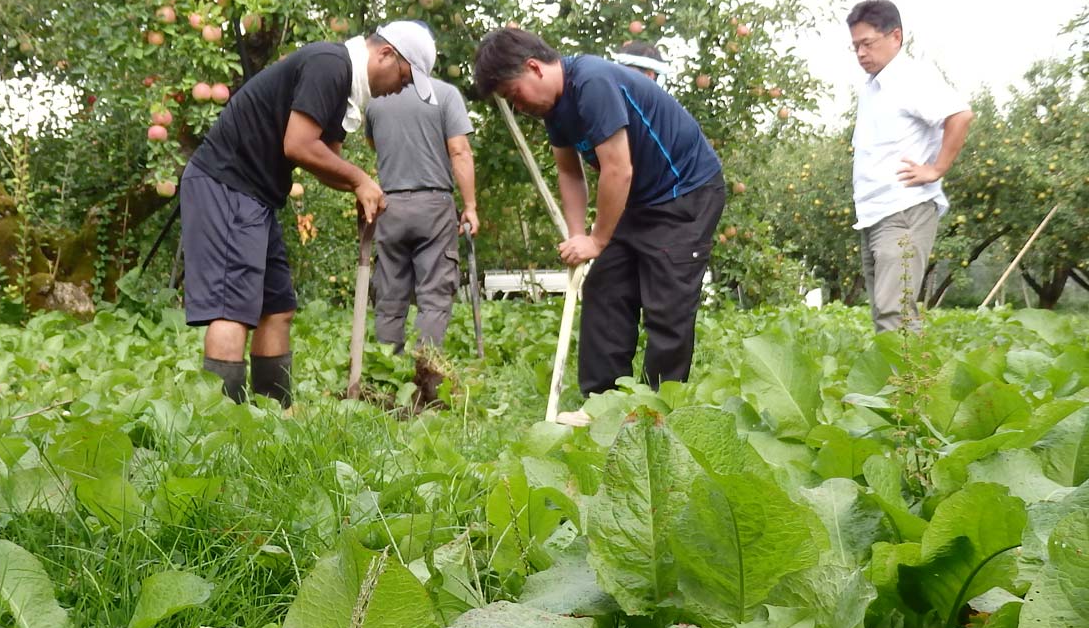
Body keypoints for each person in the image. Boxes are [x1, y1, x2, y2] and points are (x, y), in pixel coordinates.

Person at [179, 21, 438, 405]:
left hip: (257, 196)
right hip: (227, 184)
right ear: (385, 54)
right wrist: (360, 179)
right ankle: (220, 426)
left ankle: (273, 417)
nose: (402, 87)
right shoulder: (328, 64)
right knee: (232, 310)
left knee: (277, 308)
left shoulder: (343, 87)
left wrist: (358, 187)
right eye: (405, 75)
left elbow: (325, 158)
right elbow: (298, 145)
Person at [474, 28, 725, 395]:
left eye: (515, 94)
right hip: (638, 199)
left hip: (685, 192)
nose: (518, 107)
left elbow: (618, 169)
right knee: (605, 289)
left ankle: (658, 409)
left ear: (534, 68)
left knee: (666, 305)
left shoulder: (592, 81)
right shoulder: (555, 109)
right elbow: (568, 171)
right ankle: (601, 405)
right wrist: (578, 235)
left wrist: (598, 239)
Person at [846, 0, 973, 332]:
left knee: (894, 313)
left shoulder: (911, 77)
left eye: (867, 44)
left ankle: (910, 385)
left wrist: (937, 169)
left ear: (896, 36)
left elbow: (960, 115)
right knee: (884, 312)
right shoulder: (873, 88)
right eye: (855, 46)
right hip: (875, 214)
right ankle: (899, 382)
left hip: (904, 210)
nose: (860, 53)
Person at [364, 74, 477, 353]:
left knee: (389, 297)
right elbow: (459, 151)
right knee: (434, 296)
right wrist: (470, 206)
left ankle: (388, 372)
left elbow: (374, 144)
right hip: (434, 206)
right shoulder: (445, 94)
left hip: (389, 205)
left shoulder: (375, 100)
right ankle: (425, 370)